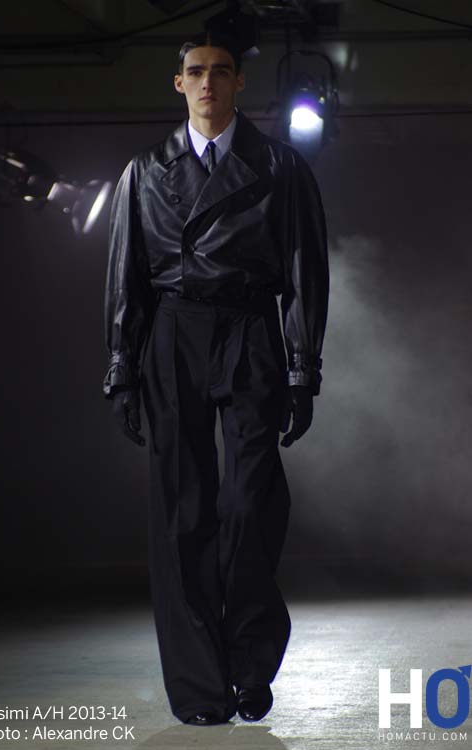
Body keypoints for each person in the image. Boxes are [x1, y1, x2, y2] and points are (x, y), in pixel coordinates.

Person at [103, 31, 329, 726]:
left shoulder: (280, 166)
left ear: (238, 83)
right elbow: (127, 273)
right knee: (182, 513)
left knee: (249, 504)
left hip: (250, 329)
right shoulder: (145, 170)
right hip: (174, 333)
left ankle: (250, 666)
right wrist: (121, 367)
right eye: (196, 72)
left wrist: (302, 367)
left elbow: (305, 271)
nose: (208, 82)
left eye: (221, 71)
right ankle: (201, 688)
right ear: (179, 83)